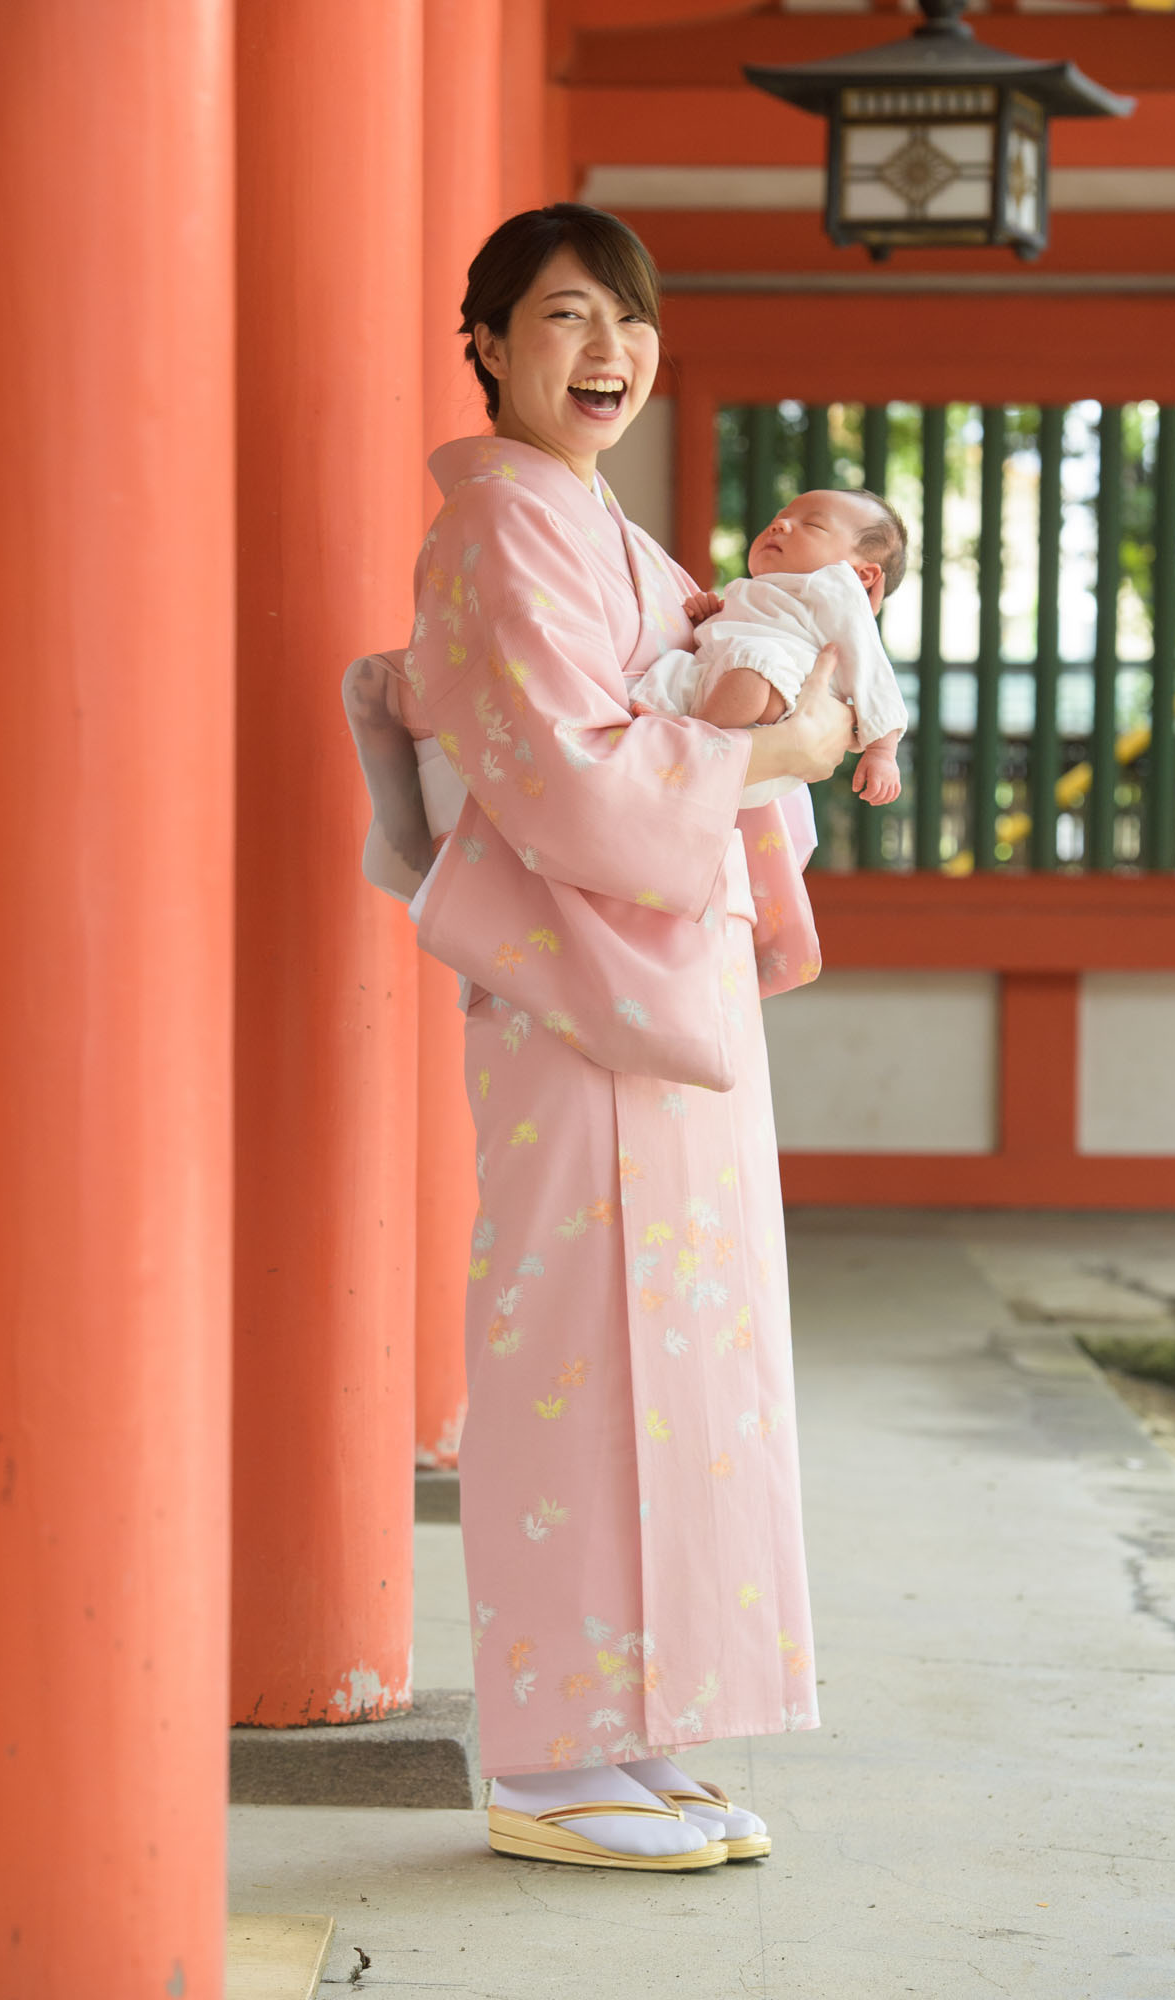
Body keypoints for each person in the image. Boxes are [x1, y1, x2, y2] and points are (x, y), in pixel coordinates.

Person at [343, 204, 856, 1873]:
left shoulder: (608, 536)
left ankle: (639, 1733)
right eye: (565, 317)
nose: (608, 352)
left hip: (663, 995)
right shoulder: (498, 537)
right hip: (580, 990)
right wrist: (795, 745)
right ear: (485, 343)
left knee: (684, 1356)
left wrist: (779, 720)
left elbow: (701, 700)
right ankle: (551, 1759)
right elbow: (577, 785)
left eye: (627, 323)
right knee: (573, 1355)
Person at [630, 487, 910, 811]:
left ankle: (694, 740)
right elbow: (730, 635)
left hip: (774, 709)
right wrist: (709, 616)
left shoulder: (836, 590)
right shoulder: (761, 589)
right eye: (779, 518)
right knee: (677, 665)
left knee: (754, 669)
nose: (781, 525)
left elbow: (874, 675)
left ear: (861, 574)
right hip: (736, 717)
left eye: (813, 526)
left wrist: (881, 752)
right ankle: (670, 726)